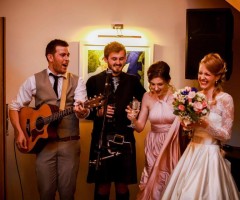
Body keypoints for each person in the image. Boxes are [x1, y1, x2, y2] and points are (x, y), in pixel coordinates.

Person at [9, 39, 89, 200]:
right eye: (62, 55)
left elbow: (83, 110)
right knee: (45, 193)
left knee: (67, 194)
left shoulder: (77, 81)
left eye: (68, 55)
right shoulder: (33, 80)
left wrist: (82, 111)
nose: (67, 59)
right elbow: (14, 107)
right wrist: (20, 133)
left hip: (69, 145)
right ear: (50, 57)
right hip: (43, 146)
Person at [161, 53, 240, 200]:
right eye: (200, 73)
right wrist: (188, 126)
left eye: (207, 74)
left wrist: (205, 124)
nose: (202, 77)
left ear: (217, 77)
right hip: (192, 152)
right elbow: (189, 128)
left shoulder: (226, 99)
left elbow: (226, 136)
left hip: (211, 155)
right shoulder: (194, 96)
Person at [85, 41, 146, 200]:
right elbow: (84, 111)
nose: (118, 62)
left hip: (125, 139)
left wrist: (136, 111)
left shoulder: (133, 80)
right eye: (114, 59)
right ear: (106, 59)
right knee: (103, 185)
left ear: (125, 58)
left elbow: (146, 102)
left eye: (121, 58)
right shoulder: (93, 81)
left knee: (122, 184)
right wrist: (97, 112)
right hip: (100, 138)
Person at [126, 61, 181, 200]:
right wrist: (132, 119)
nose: (155, 88)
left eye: (160, 84)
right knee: (152, 180)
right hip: (153, 144)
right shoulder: (147, 97)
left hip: (172, 144)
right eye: (152, 84)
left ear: (168, 81)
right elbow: (139, 127)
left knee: (170, 180)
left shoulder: (178, 97)